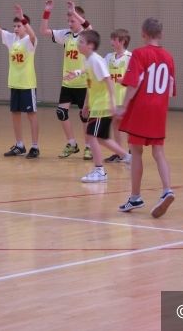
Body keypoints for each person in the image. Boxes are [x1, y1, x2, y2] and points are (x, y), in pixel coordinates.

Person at [117, 18, 175, 218]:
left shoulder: (139, 53)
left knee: (136, 151)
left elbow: (134, 83)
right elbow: (170, 89)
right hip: (160, 108)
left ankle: (135, 196)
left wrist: (124, 106)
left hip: (142, 108)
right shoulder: (168, 57)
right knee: (159, 152)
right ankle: (167, 189)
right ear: (161, 34)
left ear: (143, 34)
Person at [68, 29, 131, 182]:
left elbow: (108, 81)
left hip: (102, 105)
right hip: (96, 105)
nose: (78, 44)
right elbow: (90, 83)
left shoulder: (96, 60)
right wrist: (86, 104)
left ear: (90, 45)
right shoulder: (88, 60)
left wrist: (112, 103)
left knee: (91, 136)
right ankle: (128, 157)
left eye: (81, 42)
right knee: (102, 138)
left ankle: (99, 171)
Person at [0, 0, 40, 158]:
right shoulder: (11, 39)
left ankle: (35, 146)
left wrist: (23, 17)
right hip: (14, 83)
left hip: (27, 84)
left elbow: (33, 34)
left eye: (19, 25)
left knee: (31, 115)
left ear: (25, 26)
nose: (15, 28)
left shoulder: (30, 41)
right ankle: (19, 145)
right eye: (14, 26)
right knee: (15, 113)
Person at [39, 0, 93, 160]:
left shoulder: (86, 35)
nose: (69, 23)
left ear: (80, 19)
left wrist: (74, 11)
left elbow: (89, 27)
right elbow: (43, 31)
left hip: (83, 83)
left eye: (72, 21)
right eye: (68, 21)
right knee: (61, 112)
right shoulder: (66, 35)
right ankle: (72, 143)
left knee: (85, 116)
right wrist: (47, 11)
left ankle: (89, 147)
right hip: (68, 83)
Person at [103, 29, 132, 163]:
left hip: (126, 98)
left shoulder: (130, 57)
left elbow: (136, 77)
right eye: (112, 39)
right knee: (115, 124)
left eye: (114, 40)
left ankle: (131, 152)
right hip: (113, 98)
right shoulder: (109, 57)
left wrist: (125, 80)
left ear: (123, 41)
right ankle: (120, 153)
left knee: (129, 126)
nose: (111, 42)